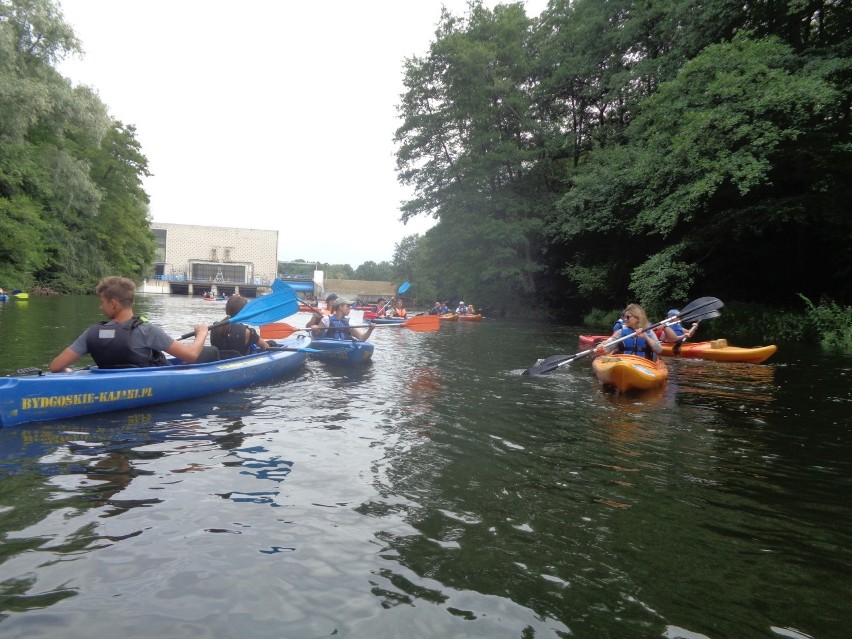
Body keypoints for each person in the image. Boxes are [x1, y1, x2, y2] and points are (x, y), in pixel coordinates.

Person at [49, 276, 214, 372]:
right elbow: (191, 355)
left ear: (113, 303)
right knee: (210, 352)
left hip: (108, 387)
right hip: (147, 388)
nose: (100, 307)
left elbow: (55, 367)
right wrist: (201, 334)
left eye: (102, 302)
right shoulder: (147, 330)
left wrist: (69, 372)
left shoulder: (92, 334)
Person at [597, 303, 662, 361]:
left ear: (637, 318)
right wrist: (602, 347)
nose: (625, 319)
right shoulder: (621, 332)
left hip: (644, 365)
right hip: (624, 363)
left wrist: (646, 338)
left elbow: (659, 350)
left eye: (628, 317)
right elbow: (609, 346)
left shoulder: (649, 332)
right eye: (624, 317)